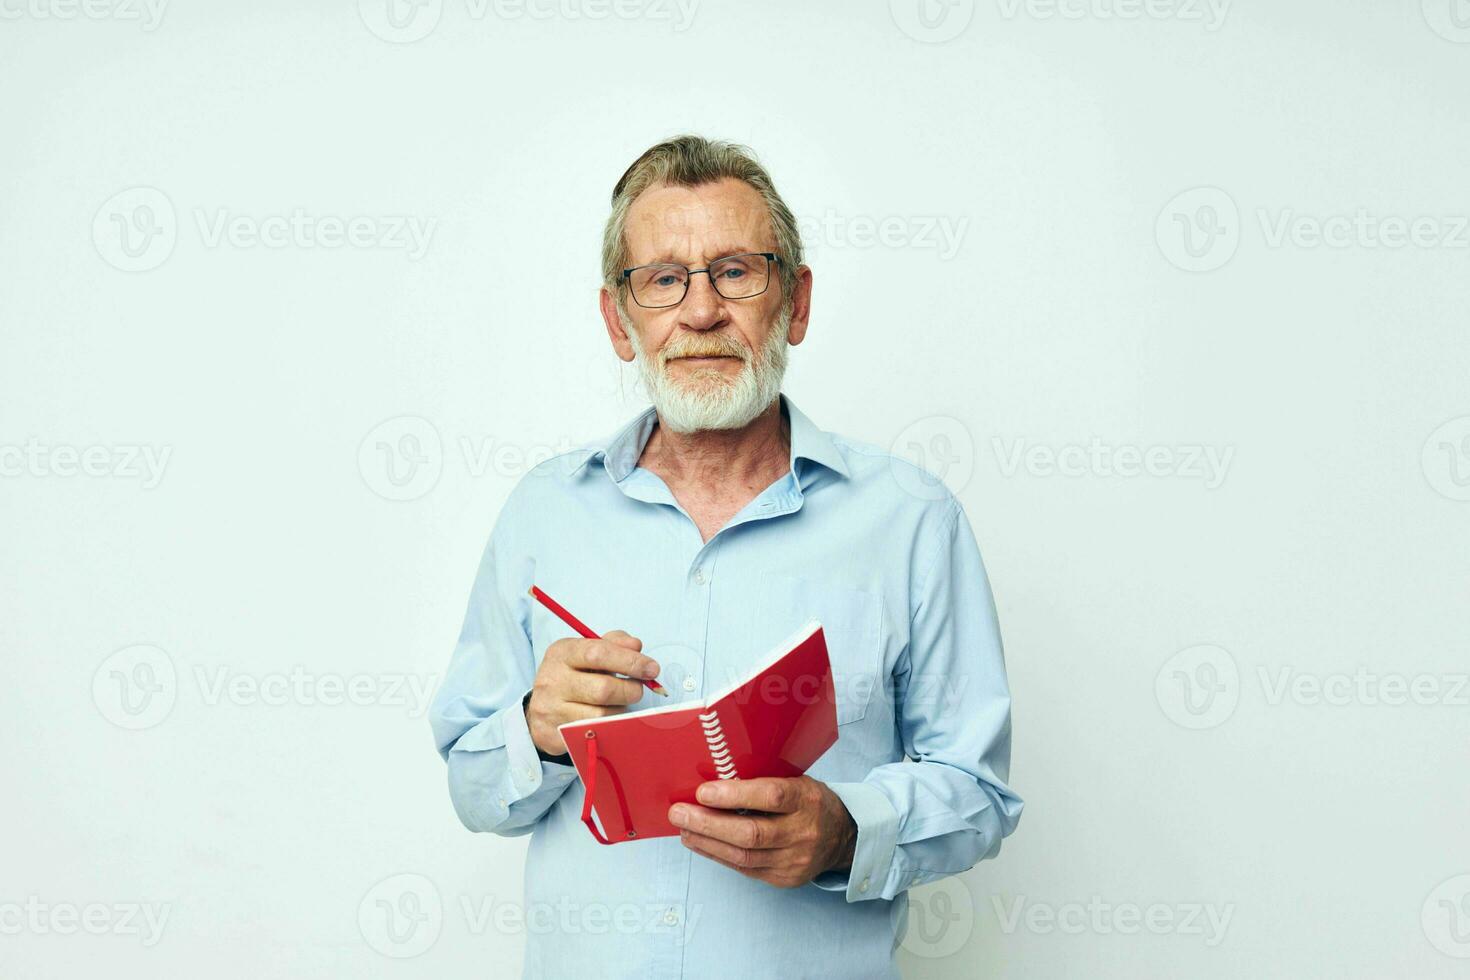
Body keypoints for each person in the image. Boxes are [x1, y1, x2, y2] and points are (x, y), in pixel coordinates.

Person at [429, 134, 1022, 978]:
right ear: (619, 320)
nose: (701, 311)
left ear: (798, 303)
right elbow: (473, 789)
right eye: (663, 279)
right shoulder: (543, 513)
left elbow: (980, 790)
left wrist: (847, 831)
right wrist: (537, 730)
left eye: (736, 271)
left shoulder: (912, 519)